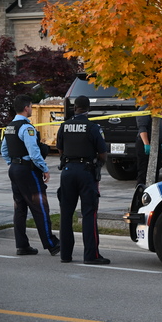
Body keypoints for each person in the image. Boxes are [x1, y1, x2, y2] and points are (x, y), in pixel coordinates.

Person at [1, 95, 60, 256]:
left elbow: (4, 151)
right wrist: (45, 168)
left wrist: (13, 163)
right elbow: (34, 153)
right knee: (40, 207)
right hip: (28, 171)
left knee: (20, 209)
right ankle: (52, 244)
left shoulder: (10, 127)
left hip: (14, 169)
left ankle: (22, 245)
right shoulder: (27, 128)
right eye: (31, 107)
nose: (32, 109)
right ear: (26, 108)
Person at [56, 95, 109, 264]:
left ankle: (65, 255)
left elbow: (59, 149)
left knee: (66, 214)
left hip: (67, 171)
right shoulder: (93, 127)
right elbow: (102, 154)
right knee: (89, 214)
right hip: (86, 172)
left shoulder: (64, 127)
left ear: (74, 107)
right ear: (88, 109)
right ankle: (90, 255)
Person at [136, 106, 162, 187]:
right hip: (147, 143)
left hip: (157, 144)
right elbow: (142, 128)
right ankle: (141, 192)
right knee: (144, 171)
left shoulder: (156, 109)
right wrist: (146, 144)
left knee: (155, 170)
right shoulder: (144, 109)